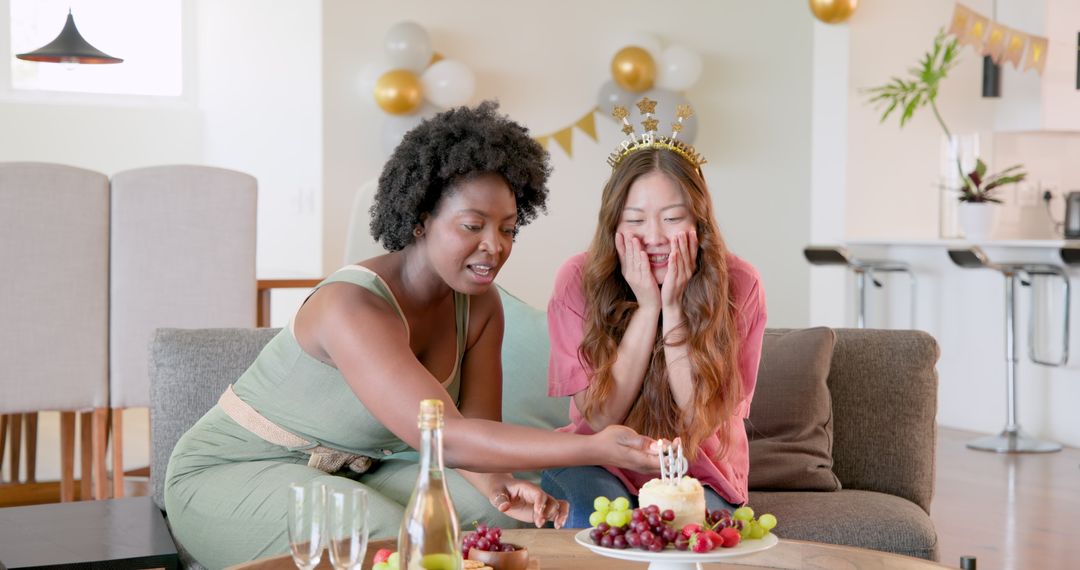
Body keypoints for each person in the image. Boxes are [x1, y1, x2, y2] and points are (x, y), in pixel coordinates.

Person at [164, 102, 660, 569]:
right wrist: (596, 447)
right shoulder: (351, 306)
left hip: (356, 471)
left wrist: (498, 485)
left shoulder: (481, 305)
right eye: (473, 225)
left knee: (498, 519)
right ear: (422, 219)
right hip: (231, 471)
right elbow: (449, 439)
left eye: (508, 229)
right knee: (384, 538)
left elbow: (476, 433)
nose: (495, 246)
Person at [540, 100, 768, 528]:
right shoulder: (577, 278)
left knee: (688, 536)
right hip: (596, 463)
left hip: (699, 471)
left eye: (673, 218)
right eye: (636, 220)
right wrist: (648, 308)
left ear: (699, 221)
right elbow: (600, 417)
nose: (655, 237)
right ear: (613, 224)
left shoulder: (741, 283)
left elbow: (700, 416)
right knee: (599, 524)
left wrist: (673, 305)